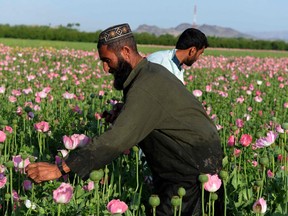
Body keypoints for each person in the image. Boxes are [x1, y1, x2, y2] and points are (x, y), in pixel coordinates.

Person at [26, 23, 223, 216]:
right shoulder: (148, 73)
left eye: (107, 60)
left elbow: (117, 139)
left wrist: (60, 168)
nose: (105, 68)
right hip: (188, 160)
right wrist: (125, 112)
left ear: (126, 51)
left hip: (192, 167)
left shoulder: (146, 85)